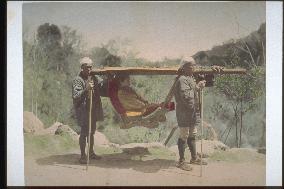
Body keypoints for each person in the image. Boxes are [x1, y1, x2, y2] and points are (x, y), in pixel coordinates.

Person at [174, 57, 208, 171]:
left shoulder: (190, 78)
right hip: (184, 112)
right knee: (184, 134)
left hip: (192, 111)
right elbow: (186, 97)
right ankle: (181, 161)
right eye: (191, 66)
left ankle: (194, 158)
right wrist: (197, 88)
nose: (194, 67)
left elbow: (194, 90)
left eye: (194, 65)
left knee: (193, 133)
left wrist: (199, 85)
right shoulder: (182, 79)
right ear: (184, 68)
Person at [72, 57, 107, 164]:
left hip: (93, 109)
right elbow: (76, 95)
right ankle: (83, 155)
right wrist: (86, 89)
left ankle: (91, 153)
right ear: (82, 68)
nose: (89, 70)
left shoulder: (94, 77)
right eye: (87, 68)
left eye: (91, 67)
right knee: (84, 132)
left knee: (91, 132)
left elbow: (102, 87)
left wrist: (108, 79)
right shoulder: (78, 80)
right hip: (83, 110)